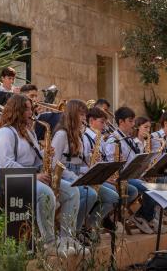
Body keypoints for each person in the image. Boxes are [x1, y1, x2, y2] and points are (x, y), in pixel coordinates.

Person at [0, 94, 79, 255]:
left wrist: (45, 154)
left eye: (31, 108)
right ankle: (49, 243)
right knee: (46, 194)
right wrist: (34, 175)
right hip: (8, 179)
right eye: (27, 108)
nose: (31, 112)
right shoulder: (5, 133)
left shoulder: (28, 132)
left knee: (73, 191)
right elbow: (7, 164)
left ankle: (68, 239)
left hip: (30, 176)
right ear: (17, 110)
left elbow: (33, 159)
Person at [51, 100, 97, 234]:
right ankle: (70, 232)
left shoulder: (79, 134)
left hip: (76, 175)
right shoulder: (61, 134)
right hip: (63, 176)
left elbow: (79, 162)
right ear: (72, 115)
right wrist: (75, 177)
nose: (84, 118)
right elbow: (55, 164)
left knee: (108, 195)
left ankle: (79, 229)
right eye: (81, 114)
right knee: (90, 194)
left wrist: (90, 160)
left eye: (85, 115)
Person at [81, 107, 119, 230]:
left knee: (114, 195)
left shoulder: (99, 137)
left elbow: (103, 161)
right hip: (88, 177)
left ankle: (91, 224)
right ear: (91, 121)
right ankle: (83, 225)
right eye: (102, 122)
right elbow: (84, 164)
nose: (104, 126)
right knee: (112, 193)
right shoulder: (85, 137)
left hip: (98, 176)